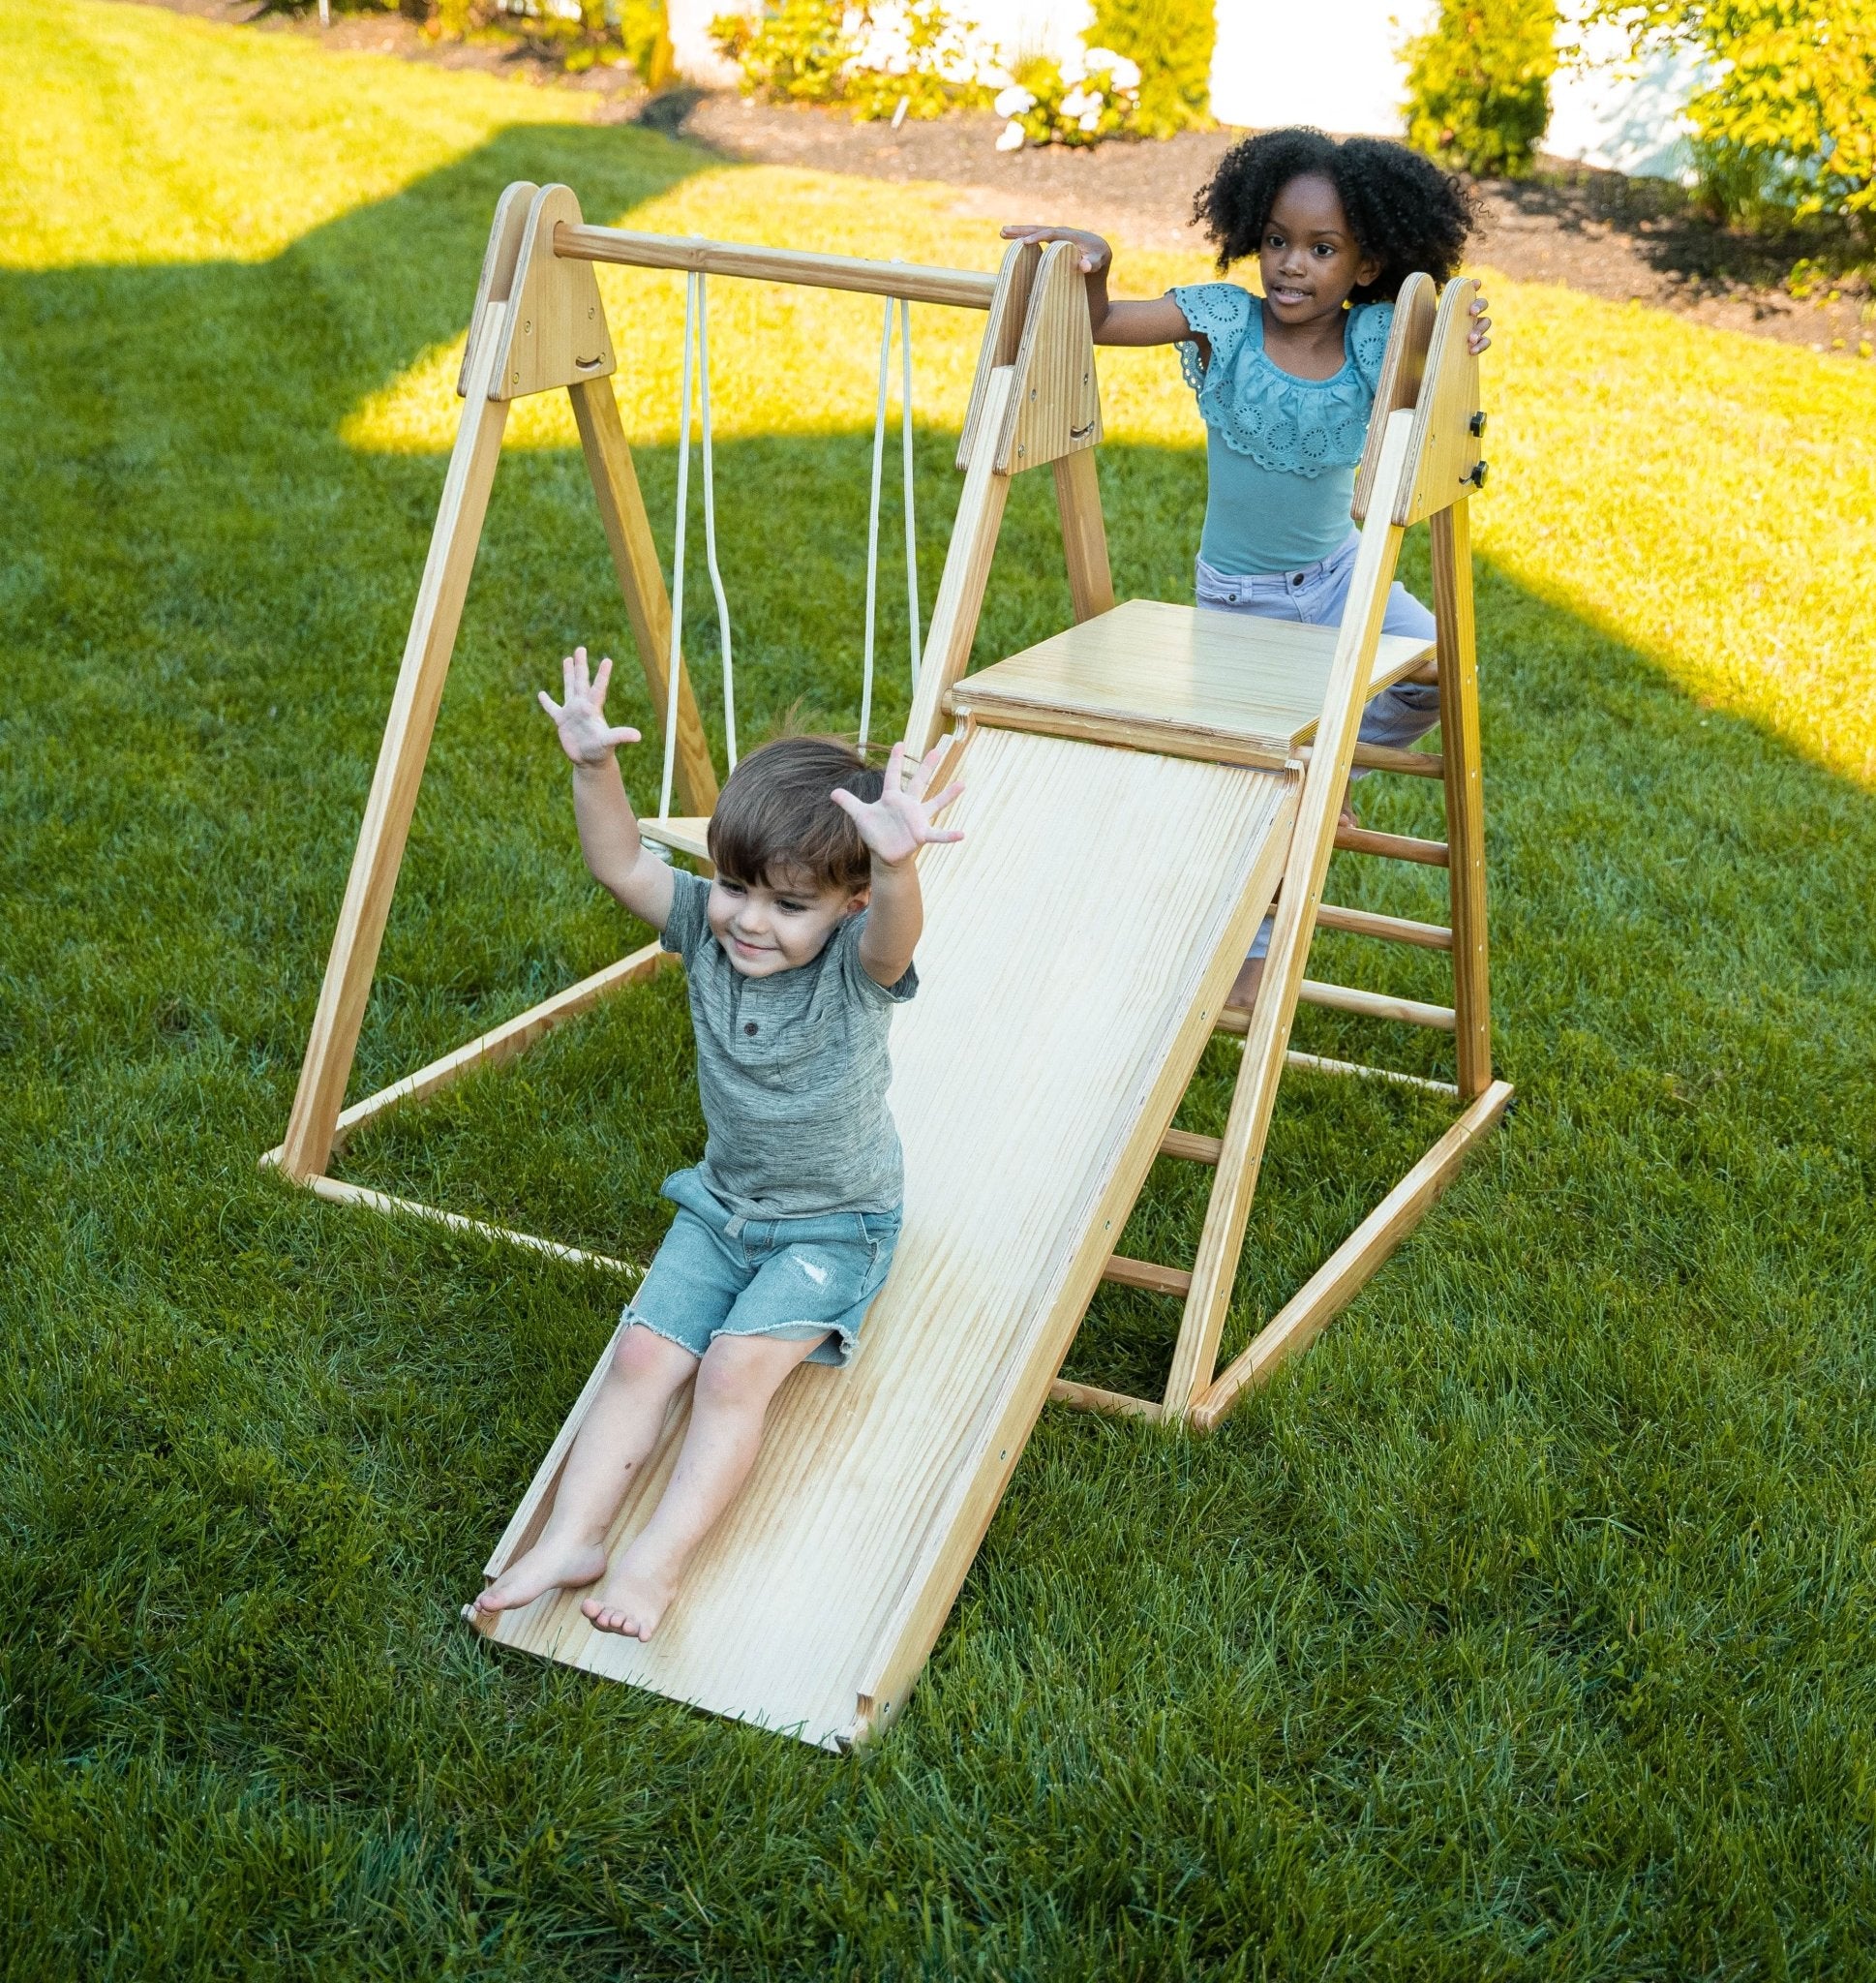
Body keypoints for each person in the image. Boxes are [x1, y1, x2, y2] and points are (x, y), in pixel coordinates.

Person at [474, 647, 960, 1641]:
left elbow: (897, 937)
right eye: (738, 886)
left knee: (736, 1367)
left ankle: (657, 1561)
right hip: (723, 1202)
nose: (750, 920)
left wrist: (899, 864)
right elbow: (619, 862)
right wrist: (590, 764)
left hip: (833, 1223)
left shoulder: (855, 970)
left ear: (848, 902)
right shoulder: (704, 925)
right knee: (644, 1353)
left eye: (790, 905)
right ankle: (576, 1532)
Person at [1003, 127, 1491, 1008]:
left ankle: (1328, 773)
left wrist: (1465, 335)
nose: (1290, 266)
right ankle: (1252, 950)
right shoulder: (1224, 321)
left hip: (1342, 577)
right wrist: (1096, 268)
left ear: (1368, 264)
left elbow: (1440, 353)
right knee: (1258, 785)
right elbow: (1106, 325)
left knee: (1437, 669)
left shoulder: (1377, 339)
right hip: (1242, 603)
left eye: (1321, 248)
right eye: (1275, 240)